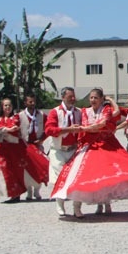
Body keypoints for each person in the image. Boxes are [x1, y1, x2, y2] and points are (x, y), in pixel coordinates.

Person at [51, 88, 128, 218]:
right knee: (82, 176)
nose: (93, 100)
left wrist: (109, 101)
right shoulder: (84, 111)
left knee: (108, 175)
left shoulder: (107, 110)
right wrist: (85, 129)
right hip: (89, 147)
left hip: (105, 146)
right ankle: (77, 207)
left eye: (96, 98)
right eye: (91, 98)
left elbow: (106, 120)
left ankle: (106, 203)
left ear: (101, 99)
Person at [44, 87, 83, 216]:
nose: (73, 99)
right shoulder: (55, 112)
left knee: (77, 178)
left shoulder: (79, 112)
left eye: (73, 96)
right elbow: (49, 130)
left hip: (74, 149)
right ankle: (60, 203)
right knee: (60, 178)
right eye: (70, 96)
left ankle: (77, 207)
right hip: (58, 150)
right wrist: (68, 129)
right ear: (63, 97)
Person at [0, 98, 27, 203]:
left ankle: (16, 194)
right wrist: (7, 129)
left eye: (9, 105)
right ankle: (10, 192)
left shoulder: (16, 117)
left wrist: (6, 130)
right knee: (3, 169)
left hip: (14, 149)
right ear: (2, 107)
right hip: (1, 149)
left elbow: (15, 128)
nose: (7, 107)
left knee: (14, 171)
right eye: (5, 105)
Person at [18, 92, 49, 200]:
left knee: (39, 167)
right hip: (25, 146)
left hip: (37, 146)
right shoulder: (20, 116)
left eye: (34, 101)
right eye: (30, 101)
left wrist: (42, 139)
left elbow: (48, 128)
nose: (32, 103)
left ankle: (37, 190)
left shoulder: (42, 115)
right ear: (25, 103)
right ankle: (29, 191)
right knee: (26, 169)